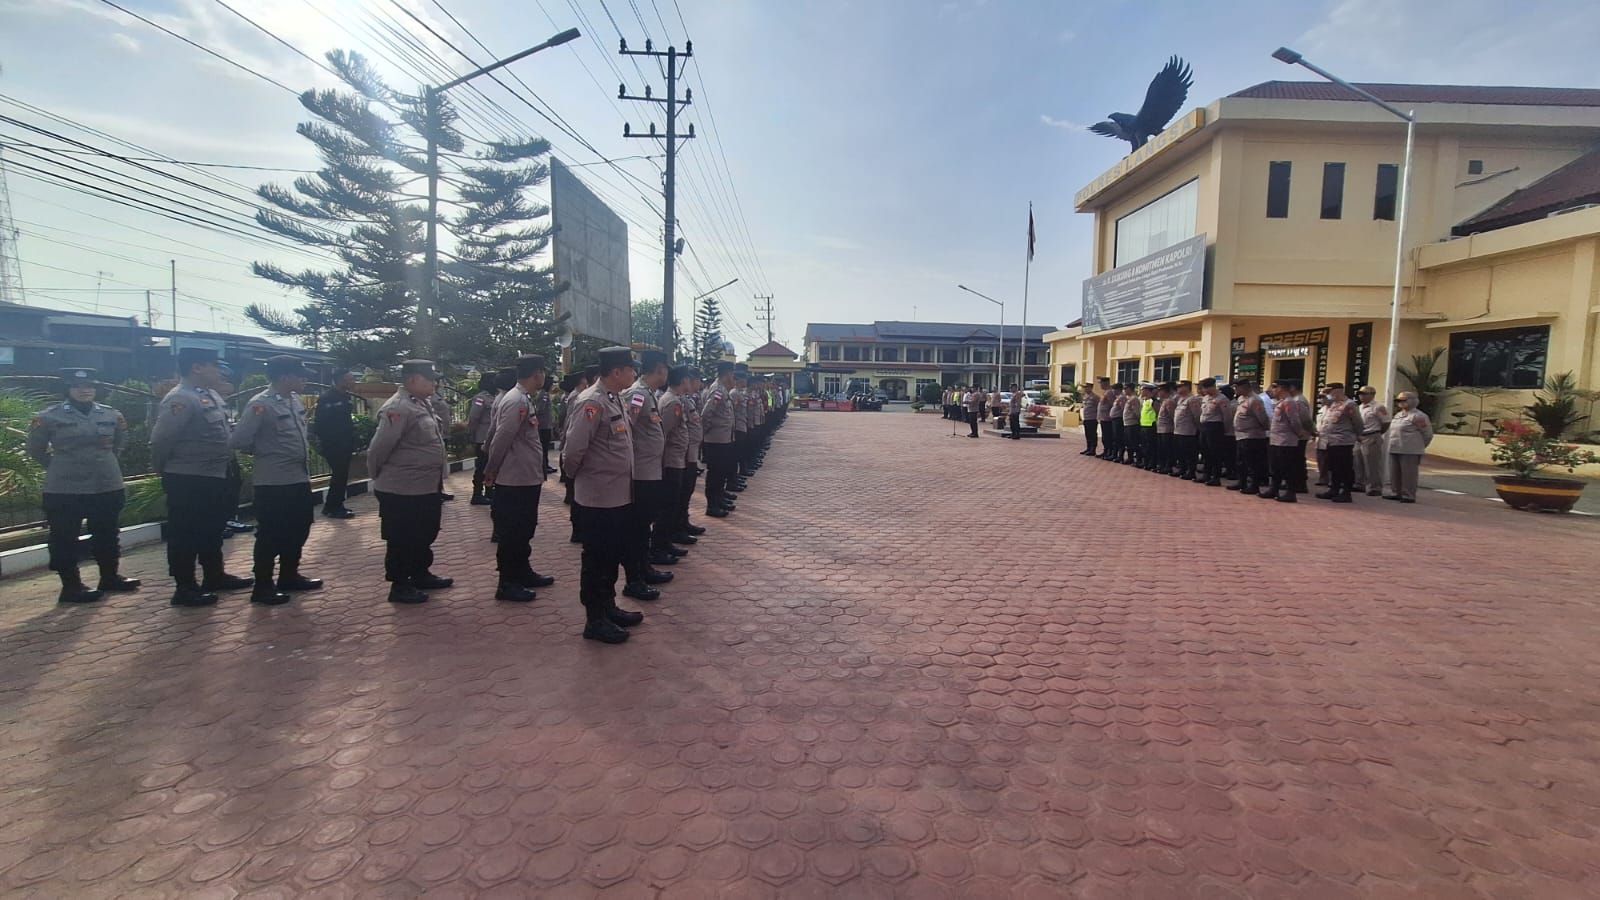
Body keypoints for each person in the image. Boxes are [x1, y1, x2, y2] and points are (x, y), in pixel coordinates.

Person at [150, 347, 254, 607]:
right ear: (197, 367)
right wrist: (163, 469)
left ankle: (214, 575)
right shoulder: (181, 399)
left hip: (213, 475)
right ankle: (185, 587)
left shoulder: (208, 395)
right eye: (213, 365)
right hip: (188, 477)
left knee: (212, 528)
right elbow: (161, 441)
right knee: (185, 533)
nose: (218, 370)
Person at [26, 368, 140, 604]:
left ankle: (109, 577)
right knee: (64, 538)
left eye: (90, 386)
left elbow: (120, 443)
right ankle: (71, 586)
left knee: (107, 533)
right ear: (68, 389)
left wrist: (103, 462)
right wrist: (60, 466)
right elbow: (35, 449)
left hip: (106, 483)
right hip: (65, 488)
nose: (85, 390)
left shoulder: (111, 414)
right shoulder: (49, 417)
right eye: (78, 386)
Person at [563, 347, 648, 644]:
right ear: (616, 372)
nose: (634, 374)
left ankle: (608, 607)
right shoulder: (592, 402)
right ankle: (594, 619)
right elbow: (573, 451)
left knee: (611, 556)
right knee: (597, 559)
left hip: (618, 496)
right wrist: (579, 482)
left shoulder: (615, 399)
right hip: (598, 498)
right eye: (630, 369)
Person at [228, 356, 323, 605]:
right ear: (284, 377)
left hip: (298, 477)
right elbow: (239, 439)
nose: (304, 379)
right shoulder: (260, 405)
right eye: (299, 375)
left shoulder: (294, 401)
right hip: (272, 480)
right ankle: (262, 585)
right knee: (271, 534)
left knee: (300, 526)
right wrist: (265, 450)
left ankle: (289, 575)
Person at [368, 360, 453, 604]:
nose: (434, 383)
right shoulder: (398, 407)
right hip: (401, 488)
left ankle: (420, 573)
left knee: (425, 532)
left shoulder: (422, 403)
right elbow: (379, 448)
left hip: (425, 486)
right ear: (414, 380)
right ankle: (399, 584)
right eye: (430, 379)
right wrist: (378, 476)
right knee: (402, 537)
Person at [483, 354, 555, 602]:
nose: (544, 377)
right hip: (514, 478)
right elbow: (501, 437)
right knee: (512, 531)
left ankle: (522, 571)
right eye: (543, 372)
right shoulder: (516, 401)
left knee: (524, 528)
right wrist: (491, 469)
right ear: (537, 374)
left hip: (525, 476)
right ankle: (507, 582)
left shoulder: (523, 398)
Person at [621, 351, 680, 594]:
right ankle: (634, 579)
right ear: (660, 369)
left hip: (651, 470)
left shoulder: (648, 394)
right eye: (665, 368)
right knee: (638, 527)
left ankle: (644, 569)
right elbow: (627, 431)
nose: (667, 373)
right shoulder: (637, 395)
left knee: (645, 525)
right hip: (641, 473)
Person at [313, 370, 360, 519]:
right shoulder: (328, 398)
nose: (353, 382)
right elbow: (320, 423)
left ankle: (332, 506)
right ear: (341, 381)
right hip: (334, 444)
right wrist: (329, 441)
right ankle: (335, 507)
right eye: (350, 379)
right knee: (339, 475)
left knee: (341, 475)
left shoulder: (345, 396)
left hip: (344, 442)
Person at [658, 366, 694, 548]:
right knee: (668, 504)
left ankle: (670, 538)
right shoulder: (672, 402)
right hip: (671, 459)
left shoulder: (676, 399)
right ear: (682, 381)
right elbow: (664, 433)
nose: (690, 382)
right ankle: (662, 543)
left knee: (675, 501)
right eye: (688, 379)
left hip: (678, 458)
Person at [1261, 381, 1314, 502]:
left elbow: (1294, 421)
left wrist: (1299, 433)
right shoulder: (1280, 402)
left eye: (1275, 387)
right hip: (1276, 439)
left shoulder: (1289, 402)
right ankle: (1274, 489)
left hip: (1286, 440)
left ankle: (1291, 492)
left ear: (1281, 388)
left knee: (1287, 467)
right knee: (1276, 467)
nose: (1272, 390)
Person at [1315, 383, 1364, 503]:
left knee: (1345, 468)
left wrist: (1358, 435)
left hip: (1343, 441)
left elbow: (1358, 422)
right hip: (1330, 441)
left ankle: (1346, 493)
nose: (1328, 395)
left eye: (1329, 392)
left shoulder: (1349, 404)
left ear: (1337, 391)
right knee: (1333, 467)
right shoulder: (1332, 404)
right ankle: (1333, 489)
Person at [675, 369, 709, 541]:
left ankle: (683, 522)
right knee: (680, 494)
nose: (699, 384)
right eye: (696, 381)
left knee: (686, 491)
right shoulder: (672, 400)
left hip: (690, 454)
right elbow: (666, 432)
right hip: (682, 455)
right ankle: (676, 529)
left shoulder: (686, 399)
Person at [701, 361, 738, 517]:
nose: (733, 377)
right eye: (732, 374)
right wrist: (709, 432)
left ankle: (719, 498)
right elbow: (707, 413)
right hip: (716, 440)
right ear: (727, 374)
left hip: (723, 439)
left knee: (721, 471)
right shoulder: (717, 390)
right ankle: (712, 505)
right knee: (715, 473)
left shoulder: (723, 389)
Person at [1385, 391, 1433, 503]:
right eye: (1398, 401)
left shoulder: (1419, 416)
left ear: (1413, 401)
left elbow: (1427, 434)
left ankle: (1408, 495)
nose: (1400, 403)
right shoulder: (1398, 415)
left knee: (1409, 474)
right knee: (1394, 472)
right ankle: (1396, 492)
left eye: (1403, 400)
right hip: (1395, 447)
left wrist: (1419, 446)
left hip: (1410, 450)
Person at [1230, 379, 1271, 494]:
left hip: (1252, 436)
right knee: (1241, 461)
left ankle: (1254, 485)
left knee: (1253, 462)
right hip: (1241, 435)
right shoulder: (1241, 399)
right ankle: (1241, 482)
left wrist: (1264, 429)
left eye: (1237, 388)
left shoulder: (1255, 400)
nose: (1235, 390)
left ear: (1244, 387)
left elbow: (1262, 418)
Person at [467, 372, 500, 506]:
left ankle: (489, 490)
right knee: (481, 467)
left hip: (493, 438)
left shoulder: (496, 397)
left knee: (491, 466)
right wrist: (472, 434)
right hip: (482, 437)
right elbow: (474, 417)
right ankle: (477, 494)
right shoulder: (480, 398)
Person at [1355, 386, 1392, 496]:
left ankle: (1375, 487)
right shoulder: (1360, 407)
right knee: (1358, 462)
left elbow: (1386, 422)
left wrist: (1378, 433)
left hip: (1372, 435)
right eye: (1360, 393)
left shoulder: (1378, 407)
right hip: (1360, 437)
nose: (1361, 395)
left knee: (1372, 464)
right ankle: (1360, 484)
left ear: (1372, 394)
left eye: (1364, 393)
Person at [1197, 377, 1231, 486]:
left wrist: (1224, 430)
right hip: (1204, 426)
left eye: (1206, 389)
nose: (1204, 391)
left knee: (1215, 454)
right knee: (1205, 452)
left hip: (1215, 427)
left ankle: (1216, 477)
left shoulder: (1222, 399)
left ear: (1212, 387)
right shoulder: (1206, 398)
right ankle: (1206, 475)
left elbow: (1227, 417)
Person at [1172, 381, 1202, 480]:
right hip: (1178, 430)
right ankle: (1183, 469)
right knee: (1180, 452)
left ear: (1187, 387)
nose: (1178, 389)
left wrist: (1197, 428)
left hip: (1188, 431)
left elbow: (1197, 416)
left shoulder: (1192, 399)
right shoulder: (1180, 399)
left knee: (1189, 453)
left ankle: (1191, 471)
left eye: (1180, 387)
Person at [1154, 383, 1177, 473]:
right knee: (1161, 449)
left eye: (1160, 391)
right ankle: (1162, 465)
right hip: (1161, 429)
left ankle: (1168, 466)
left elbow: (1172, 415)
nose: (1159, 393)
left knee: (1167, 449)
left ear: (1165, 392)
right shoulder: (1164, 401)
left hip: (1167, 429)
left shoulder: (1169, 402)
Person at [1120, 381, 1143, 464]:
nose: (1124, 390)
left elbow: (1137, 413)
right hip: (1127, 423)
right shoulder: (1128, 398)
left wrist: (1135, 419)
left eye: (1126, 388)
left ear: (1130, 389)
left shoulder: (1134, 399)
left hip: (1132, 424)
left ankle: (1138, 459)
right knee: (1128, 442)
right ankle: (1130, 458)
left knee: (1134, 443)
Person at [1096, 378, 1117, 458]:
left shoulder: (1110, 392)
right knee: (1104, 437)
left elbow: (1112, 404)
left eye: (1101, 383)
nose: (1100, 385)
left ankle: (1109, 452)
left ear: (1106, 383)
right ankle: (1106, 451)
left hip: (1108, 418)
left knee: (1108, 436)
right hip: (1103, 418)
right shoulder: (1105, 392)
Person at [1138, 383, 1158, 469]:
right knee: (1144, 446)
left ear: (1147, 391)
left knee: (1151, 446)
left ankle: (1151, 463)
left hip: (1151, 426)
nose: (1141, 391)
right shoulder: (1145, 401)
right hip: (1143, 426)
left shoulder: (1154, 401)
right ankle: (1145, 462)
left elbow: (1158, 413)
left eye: (1142, 390)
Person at [1079, 383, 1101, 456]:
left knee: (1092, 434)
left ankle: (1093, 449)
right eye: (1084, 387)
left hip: (1092, 418)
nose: (1085, 389)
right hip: (1086, 418)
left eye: (1086, 387)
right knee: (1087, 434)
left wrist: (1098, 417)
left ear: (1091, 388)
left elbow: (1099, 407)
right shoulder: (1085, 396)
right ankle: (1088, 448)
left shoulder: (1095, 397)